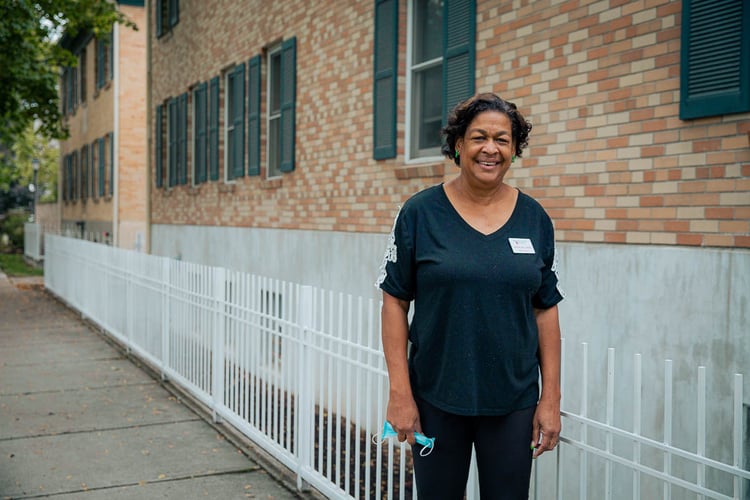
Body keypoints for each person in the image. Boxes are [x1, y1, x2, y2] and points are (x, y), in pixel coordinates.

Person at [376, 93, 564, 499]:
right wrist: (400, 392)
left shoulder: (534, 219)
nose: (490, 149)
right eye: (479, 137)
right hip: (436, 400)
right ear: (458, 145)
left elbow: (545, 310)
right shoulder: (420, 213)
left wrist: (550, 399)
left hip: (512, 404)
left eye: (503, 139)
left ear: (514, 150)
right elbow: (395, 300)